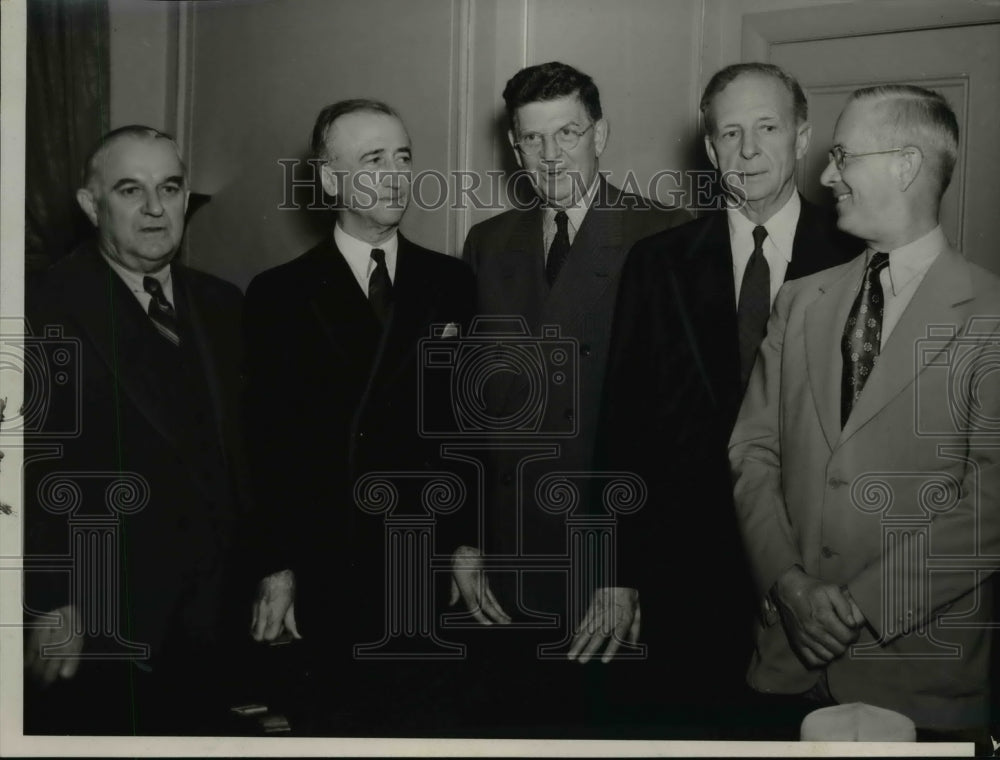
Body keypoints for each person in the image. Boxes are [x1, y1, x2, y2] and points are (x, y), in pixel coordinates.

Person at [729, 84, 1000, 753]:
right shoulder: (799, 301)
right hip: (786, 668)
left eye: (843, 156)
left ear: (905, 166)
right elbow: (752, 453)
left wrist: (861, 606)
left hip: (918, 676)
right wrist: (788, 585)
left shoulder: (991, 314)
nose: (824, 175)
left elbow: (993, 499)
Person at [596, 63, 857, 736]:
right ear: (710, 149)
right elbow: (622, 421)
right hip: (687, 577)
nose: (747, 150)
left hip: (822, 581)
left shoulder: (859, 258)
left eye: (767, 128)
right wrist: (618, 573)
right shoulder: (657, 262)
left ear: (802, 138)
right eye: (730, 133)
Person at [451, 61, 688, 736]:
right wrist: (465, 544)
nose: (550, 155)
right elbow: (467, 413)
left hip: (610, 559)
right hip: (509, 559)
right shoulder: (488, 243)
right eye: (532, 139)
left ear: (600, 133)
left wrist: (628, 568)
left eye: (568, 133)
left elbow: (675, 429)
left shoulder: (663, 234)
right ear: (514, 147)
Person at [243, 99, 476, 735]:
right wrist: (277, 567)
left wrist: (464, 542)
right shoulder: (278, 294)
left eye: (404, 157)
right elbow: (265, 444)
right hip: (328, 569)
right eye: (375, 160)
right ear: (329, 179)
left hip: (423, 563)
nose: (397, 175)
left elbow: (466, 431)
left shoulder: (452, 282)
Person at [23, 125, 248, 734]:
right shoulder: (37, 308)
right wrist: (46, 600)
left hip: (215, 616)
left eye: (170, 187)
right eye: (130, 190)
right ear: (91, 205)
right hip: (100, 619)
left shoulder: (224, 303)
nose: (155, 207)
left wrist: (271, 569)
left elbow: (245, 455)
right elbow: (22, 469)